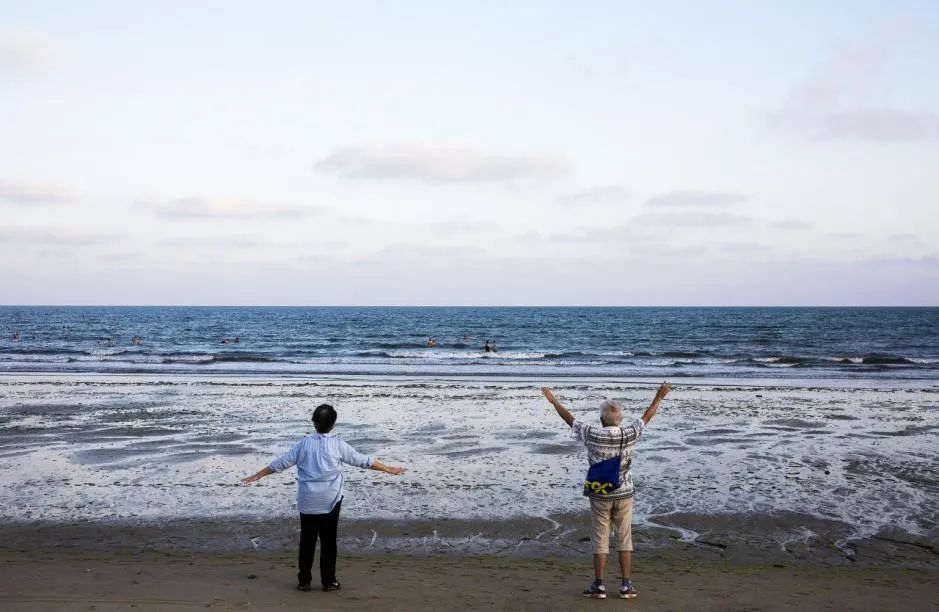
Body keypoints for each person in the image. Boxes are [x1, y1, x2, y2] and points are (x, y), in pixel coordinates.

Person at [241, 404, 407, 593]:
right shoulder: (338, 444)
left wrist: (259, 474)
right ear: (333, 424)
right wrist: (388, 469)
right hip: (331, 501)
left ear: (314, 422)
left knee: (307, 542)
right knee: (328, 542)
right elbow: (363, 460)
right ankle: (328, 582)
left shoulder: (303, 444)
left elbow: (281, 463)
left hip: (308, 501)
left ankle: (304, 582)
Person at [541, 382, 672, 600]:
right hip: (624, 492)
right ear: (620, 419)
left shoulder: (592, 433)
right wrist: (659, 396)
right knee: (624, 537)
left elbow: (570, 420)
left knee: (600, 537)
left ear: (602, 420)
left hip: (599, 493)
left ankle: (599, 586)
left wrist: (554, 400)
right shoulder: (629, 433)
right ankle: (626, 586)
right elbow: (647, 417)